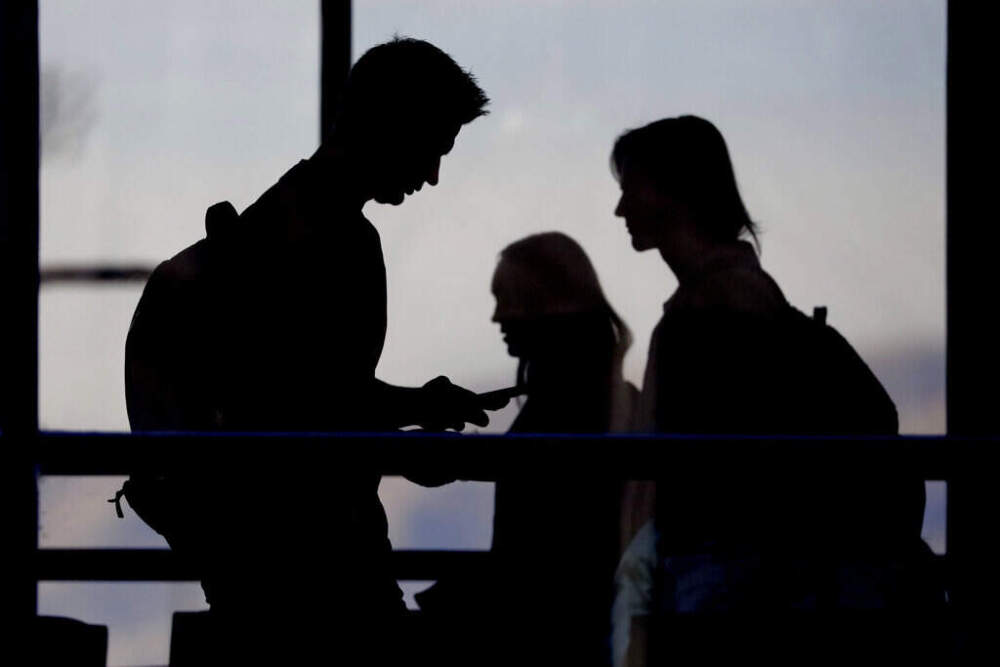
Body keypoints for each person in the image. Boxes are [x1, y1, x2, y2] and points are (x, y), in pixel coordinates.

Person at [123, 37, 492, 662]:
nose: (431, 174)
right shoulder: (335, 244)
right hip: (316, 567)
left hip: (260, 569)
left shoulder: (263, 237)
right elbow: (297, 411)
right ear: (393, 125)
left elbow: (305, 389)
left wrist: (412, 407)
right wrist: (407, 438)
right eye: (433, 148)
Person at [609, 116, 942, 663]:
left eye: (631, 189)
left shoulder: (702, 325)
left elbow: (673, 490)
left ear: (676, 191)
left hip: (723, 607)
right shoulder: (755, 312)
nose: (621, 210)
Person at [417, 232, 636, 666]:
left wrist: (452, 456)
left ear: (544, 302)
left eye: (508, 299)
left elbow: (546, 466)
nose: (498, 316)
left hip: (550, 626)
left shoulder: (568, 395)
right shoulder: (586, 386)